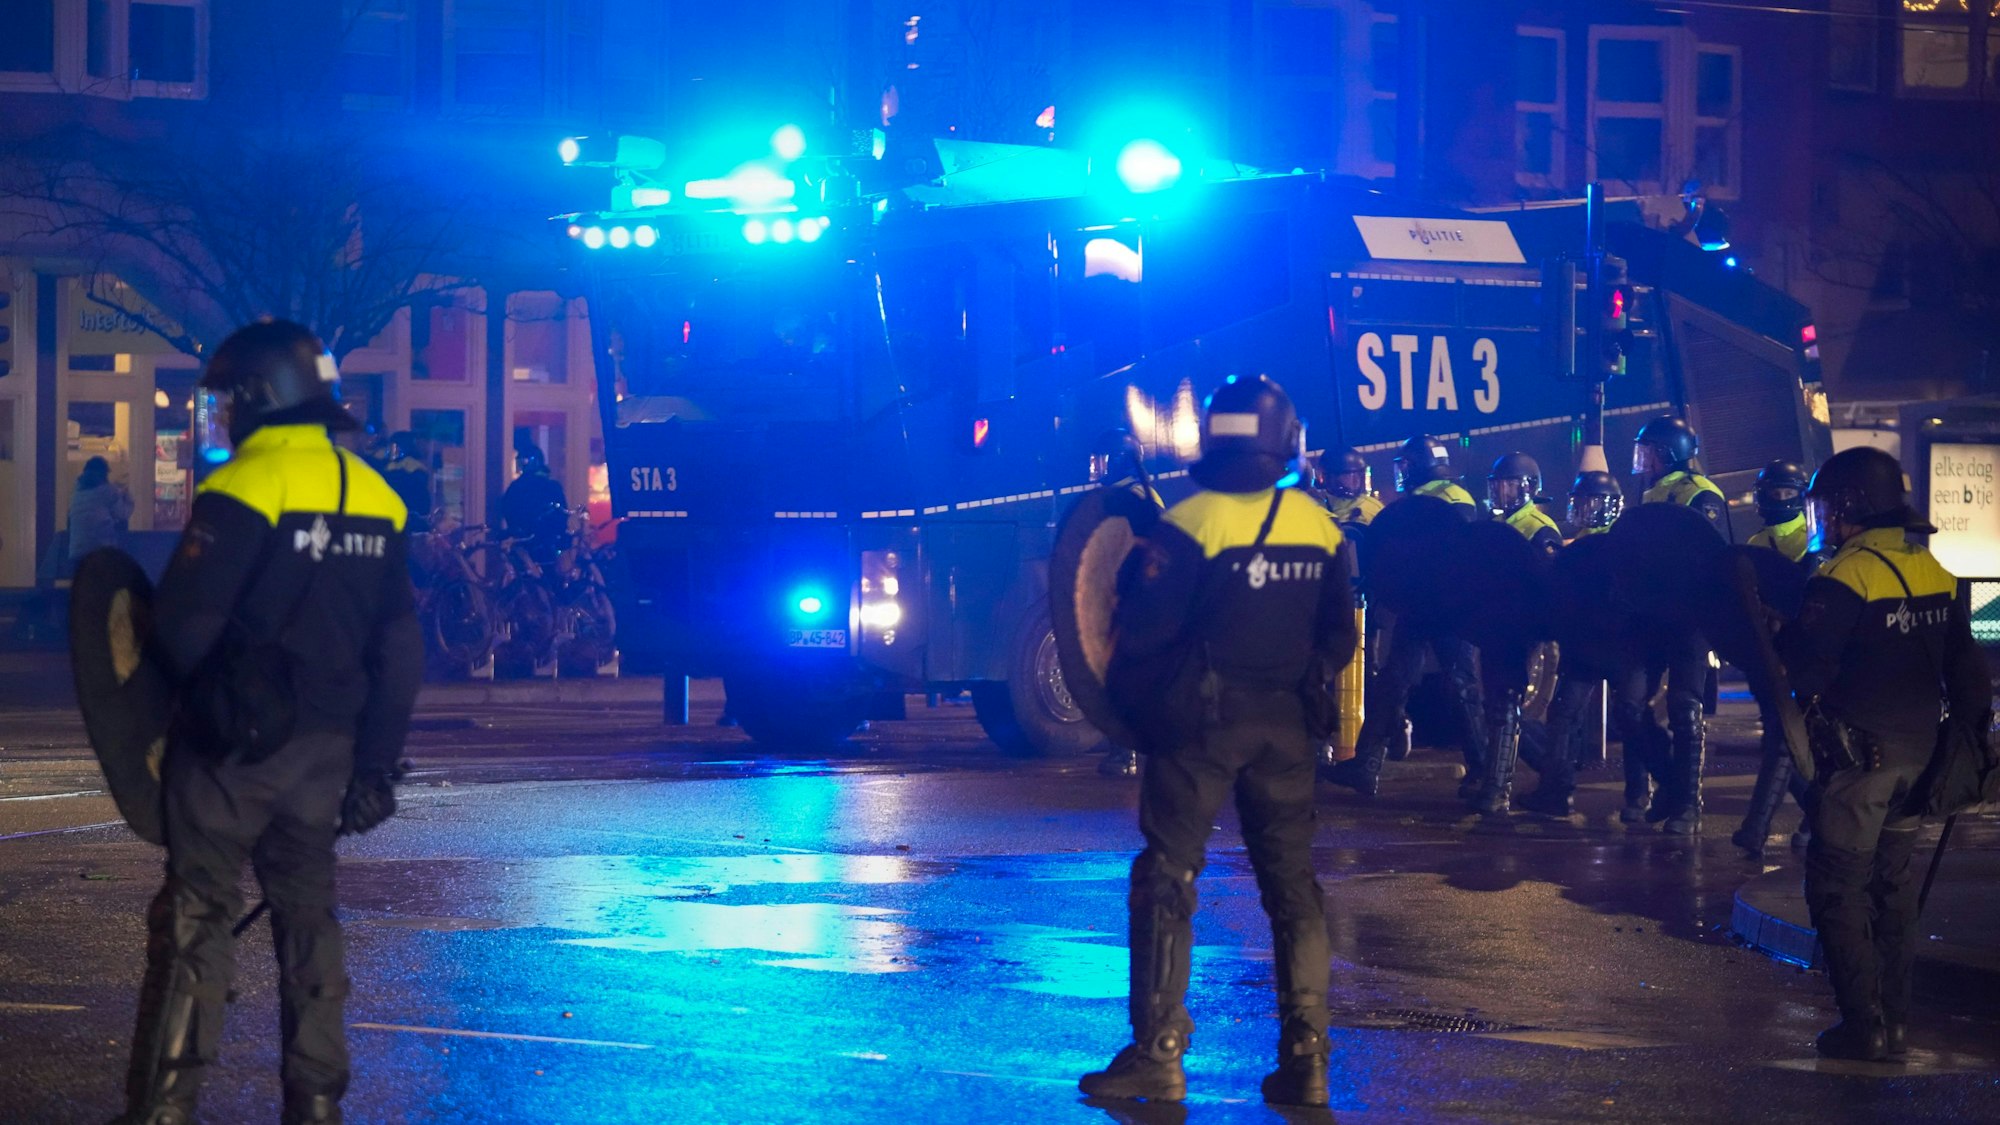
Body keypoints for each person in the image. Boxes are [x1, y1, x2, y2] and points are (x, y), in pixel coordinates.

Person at [114, 320, 422, 1125]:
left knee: (196, 917)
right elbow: (400, 650)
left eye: (223, 400)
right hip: (327, 755)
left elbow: (181, 630)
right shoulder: (377, 496)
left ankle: (167, 1106)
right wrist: (376, 771)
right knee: (309, 919)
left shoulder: (244, 485)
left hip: (233, 753)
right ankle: (317, 1101)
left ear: (254, 399)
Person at [1082, 375, 1354, 1109]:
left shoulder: (1191, 523)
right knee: (1293, 887)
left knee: (1169, 875)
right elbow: (1340, 636)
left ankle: (1159, 1056)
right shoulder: (1321, 527)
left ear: (1214, 438)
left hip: (1203, 724)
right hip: (1287, 726)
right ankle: (1308, 1061)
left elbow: (1143, 631)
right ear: (1284, 440)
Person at [1776, 446, 1988, 1061]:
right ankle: (1895, 1023)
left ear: (1849, 507)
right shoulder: (1932, 568)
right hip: (1921, 762)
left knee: (1837, 886)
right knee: (1893, 890)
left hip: (1859, 764)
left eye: (1827, 509)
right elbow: (1968, 673)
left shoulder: (1845, 574)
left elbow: (1808, 671)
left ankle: (1861, 1025)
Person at [1326, 434, 1486, 800]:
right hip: (1422, 603)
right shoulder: (1428, 497)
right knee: (1394, 681)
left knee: (1461, 686)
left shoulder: (1452, 497)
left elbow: (1452, 553)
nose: (1401, 473)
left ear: (1418, 464)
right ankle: (1366, 765)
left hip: (1445, 605)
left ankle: (1482, 769)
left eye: (1405, 465)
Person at [1734, 459, 1820, 855]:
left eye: (1786, 493)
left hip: (1805, 655)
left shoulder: (1813, 540)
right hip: (1768, 655)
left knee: (1784, 741)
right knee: (1782, 739)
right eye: (1772, 492)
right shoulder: (1754, 544)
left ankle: (1757, 828)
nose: (1778, 499)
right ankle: (1821, 815)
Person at [1632, 415, 1726, 530]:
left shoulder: (1701, 492)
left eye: (1646, 453)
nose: (1643, 460)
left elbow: (1712, 543)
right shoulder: (1652, 494)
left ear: (1664, 453)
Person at [1487, 452, 1562, 556]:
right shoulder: (1494, 522)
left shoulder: (1542, 528)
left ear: (1529, 487)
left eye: (1510, 484)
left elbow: (1549, 570)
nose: (1501, 491)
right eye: (1497, 485)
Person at [502, 444, 570, 558]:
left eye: (526, 460)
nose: (524, 464)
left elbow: (561, 511)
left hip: (540, 539)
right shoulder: (520, 486)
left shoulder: (547, 486)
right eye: (521, 460)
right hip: (535, 539)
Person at [68, 455, 135, 564]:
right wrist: (127, 497)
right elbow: (123, 514)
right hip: (101, 550)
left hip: (76, 552)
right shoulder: (108, 491)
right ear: (103, 473)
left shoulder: (77, 492)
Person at [1747, 459, 1814, 564]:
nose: (1782, 499)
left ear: (1801, 495)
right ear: (1764, 496)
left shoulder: (1813, 537)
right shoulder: (1756, 543)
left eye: (1789, 493)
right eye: (1775, 494)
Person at [1314, 446, 1382, 535]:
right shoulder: (1314, 507)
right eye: (1346, 476)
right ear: (1329, 477)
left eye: (1357, 475)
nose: (1354, 482)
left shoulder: (1373, 509)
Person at [378, 432, 433, 535]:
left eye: (394, 447)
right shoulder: (416, 470)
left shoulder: (410, 470)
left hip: (406, 524)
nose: (391, 451)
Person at [1566, 470, 1623, 539]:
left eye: (1595, 501)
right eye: (1580, 501)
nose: (1584, 507)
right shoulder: (1587, 531)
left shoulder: (1619, 532)